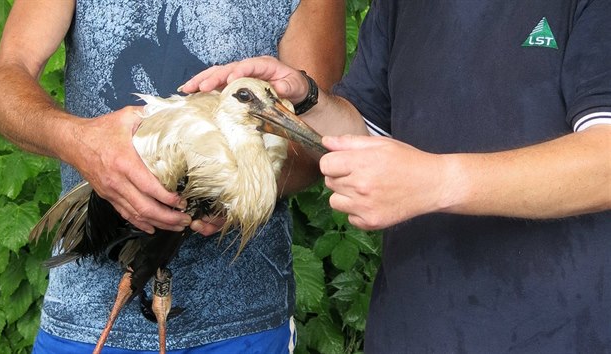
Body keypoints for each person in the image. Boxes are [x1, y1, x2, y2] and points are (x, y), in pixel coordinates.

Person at [182, 0, 611, 352]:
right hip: (411, 327)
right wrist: (306, 97)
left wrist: (438, 181)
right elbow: (365, 131)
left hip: (562, 331)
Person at [0, 0, 344, 352]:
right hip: (83, 317)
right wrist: (80, 142)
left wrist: (234, 193)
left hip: (244, 325)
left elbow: (316, 138)